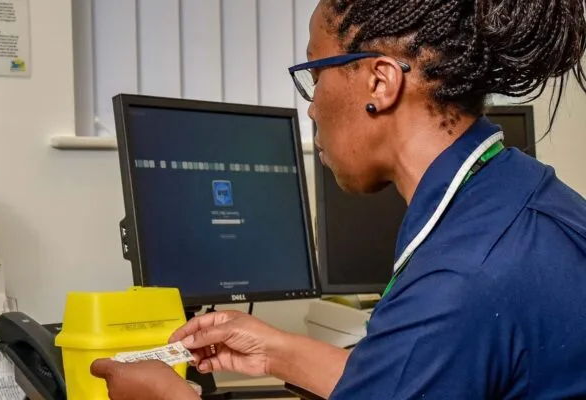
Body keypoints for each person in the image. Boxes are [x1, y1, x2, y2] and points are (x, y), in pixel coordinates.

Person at [92, 0, 586, 398]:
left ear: (380, 81)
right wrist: (275, 351)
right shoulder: (519, 192)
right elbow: (413, 374)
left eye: (316, 73)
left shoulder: (461, 276)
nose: (311, 108)